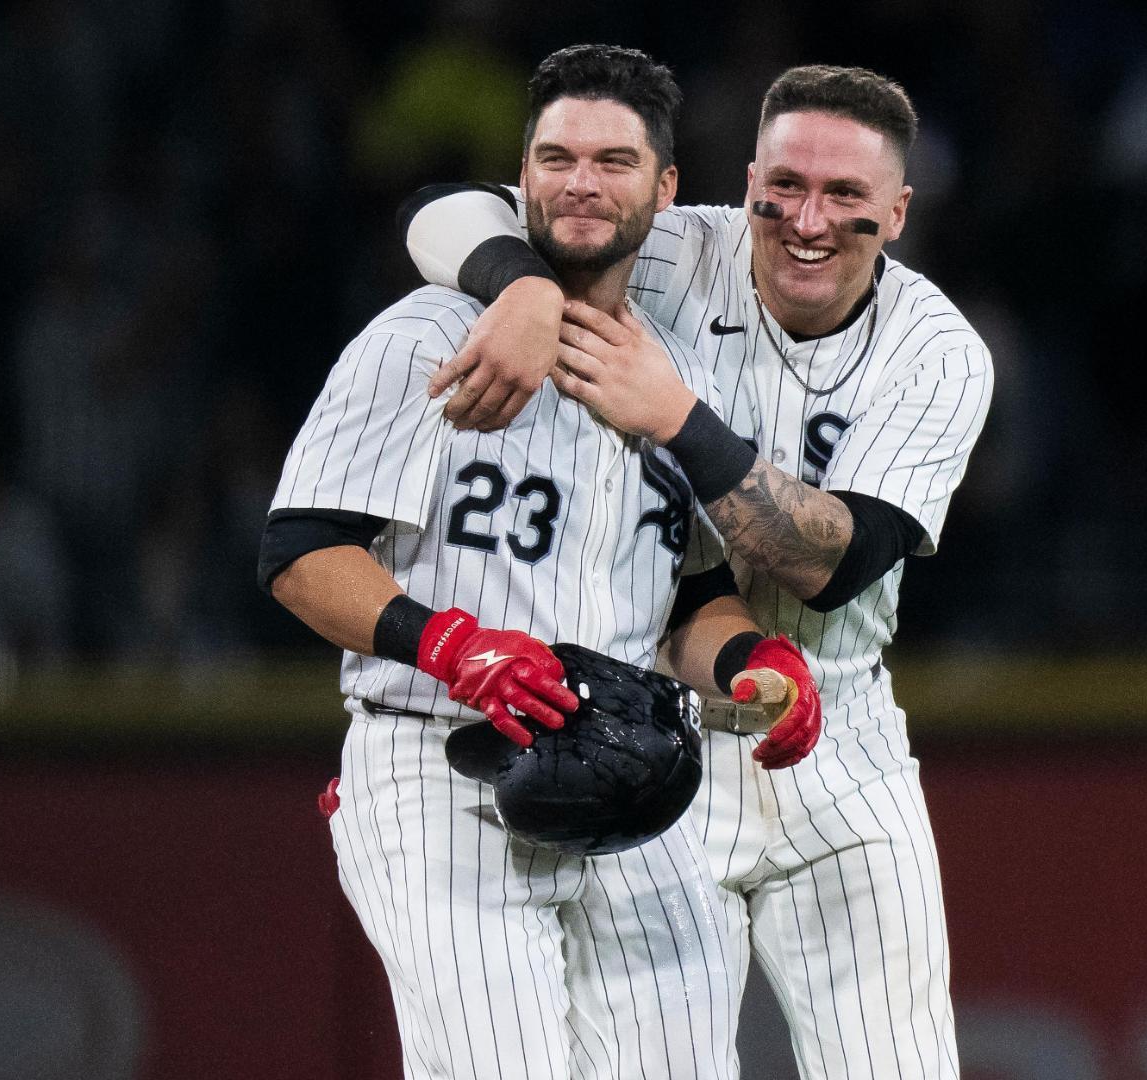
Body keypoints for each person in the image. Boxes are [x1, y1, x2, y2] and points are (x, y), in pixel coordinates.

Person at [399, 64, 994, 1080]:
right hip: (641, 728)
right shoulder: (680, 247)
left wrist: (675, 415)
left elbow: (831, 564)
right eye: (787, 185)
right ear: (748, 177)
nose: (808, 218)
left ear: (895, 213)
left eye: (845, 197)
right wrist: (525, 283)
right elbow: (435, 216)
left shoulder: (938, 351)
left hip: (836, 737)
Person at [259, 45, 823, 1080]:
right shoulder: (426, 332)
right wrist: (446, 643)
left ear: (664, 188)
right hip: (442, 761)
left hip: (632, 774)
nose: (580, 182)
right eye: (555, 157)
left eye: (613, 160)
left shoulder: (678, 374)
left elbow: (689, 586)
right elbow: (298, 551)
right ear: (519, 178)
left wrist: (753, 661)